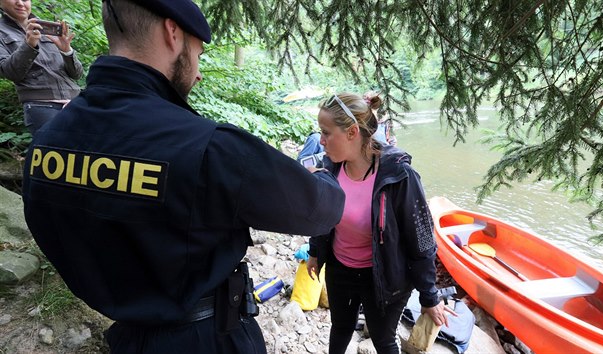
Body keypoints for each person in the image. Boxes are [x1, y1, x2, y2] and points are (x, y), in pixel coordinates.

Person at [21, 0, 345, 353]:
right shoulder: (209, 147)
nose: (199, 72)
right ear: (172, 32)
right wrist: (321, 172)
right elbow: (319, 211)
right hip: (210, 340)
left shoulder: (46, 143)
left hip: (126, 339)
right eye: (199, 53)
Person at [306, 92, 455, 354]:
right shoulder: (330, 168)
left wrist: (429, 296)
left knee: (383, 340)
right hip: (340, 268)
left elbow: (421, 240)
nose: (321, 140)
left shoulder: (398, 175)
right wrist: (316, 253)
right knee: (340, 327)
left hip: (385, 275)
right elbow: (323, 216)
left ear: (352, 132)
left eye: (326, 133)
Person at [0, 0, 83, 134]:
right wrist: (29, 45)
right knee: (54, 151)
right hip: (42, 105)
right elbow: (10, 72)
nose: (20, 3)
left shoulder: (47, 28)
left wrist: (66, 51)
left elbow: (77, 74)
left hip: (76, 103)